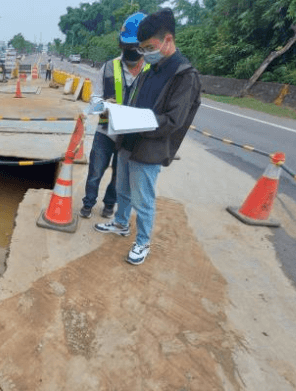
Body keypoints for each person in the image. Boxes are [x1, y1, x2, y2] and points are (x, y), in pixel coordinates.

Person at [94, 8, 201, 266]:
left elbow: (173, 121)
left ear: (168, 39)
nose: (145, 53)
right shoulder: (149, 70)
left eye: (149, 47)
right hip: (128, 141)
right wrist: (117, 110)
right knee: (122, 189)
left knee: (143, 199)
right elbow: (135, 101)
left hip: (149, 149)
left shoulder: (184, 76)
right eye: (141, 48)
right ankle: (121, 223)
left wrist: (136, 121)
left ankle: (142, 241)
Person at [79, 12, 149, 220]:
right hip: (105, 132)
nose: (130, 51)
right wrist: (103, 105)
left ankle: (110, 204)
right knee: (95, 173)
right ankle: (88, 203)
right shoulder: (108, 67)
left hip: (130, 137)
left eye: (135, 47)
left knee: (119, 177)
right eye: (127, 47)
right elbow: (93, 102)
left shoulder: (151, 72)